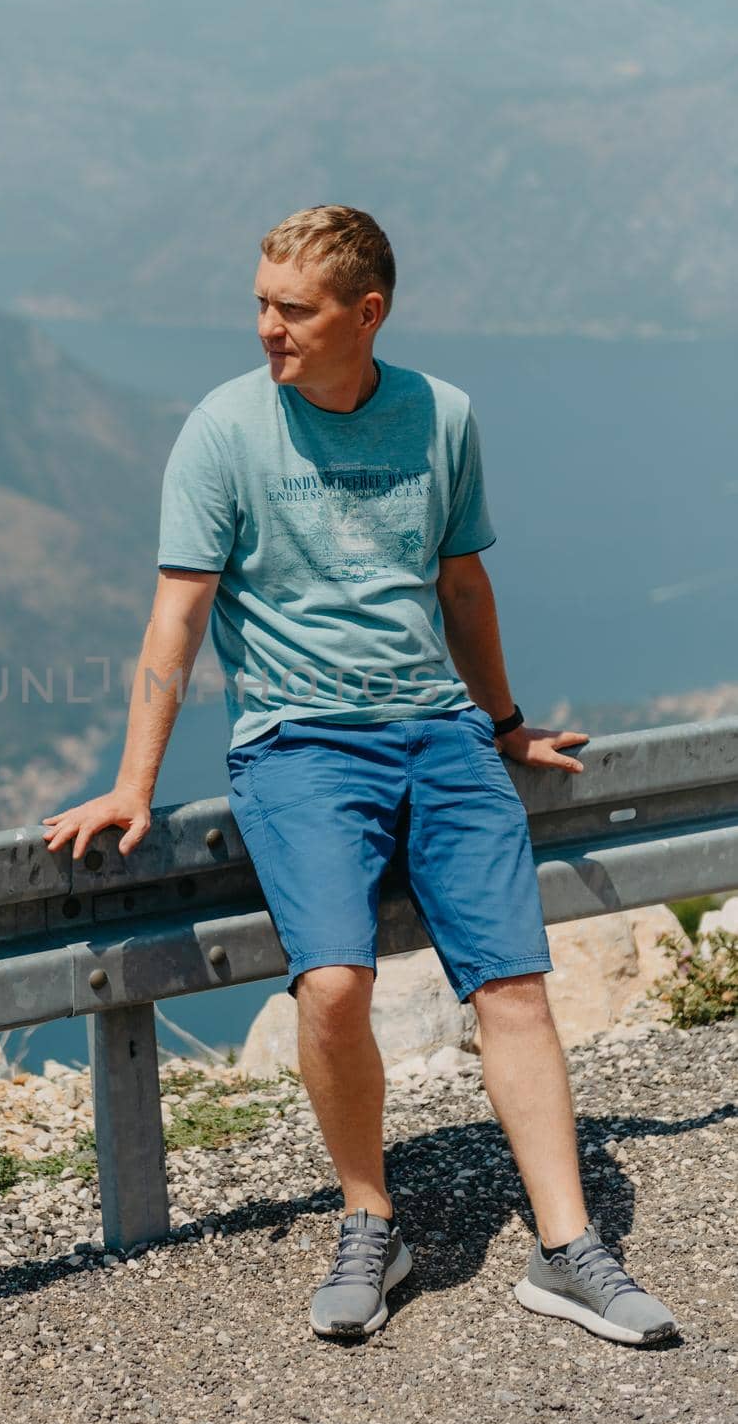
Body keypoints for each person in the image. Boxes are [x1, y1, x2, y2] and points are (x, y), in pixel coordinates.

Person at [41, 204, 678, 1347]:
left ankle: (569, 1249)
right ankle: (371, 1220)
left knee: (514, 985)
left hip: (439, 735)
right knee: (331, 986)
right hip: (297, 746)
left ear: (364, 314)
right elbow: (175, 619)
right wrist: (133, 783)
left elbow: (463, 586)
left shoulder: (443, 416)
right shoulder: (224, 431)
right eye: (260, 302)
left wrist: (507, 723)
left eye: (291, 310)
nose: (265, 329)